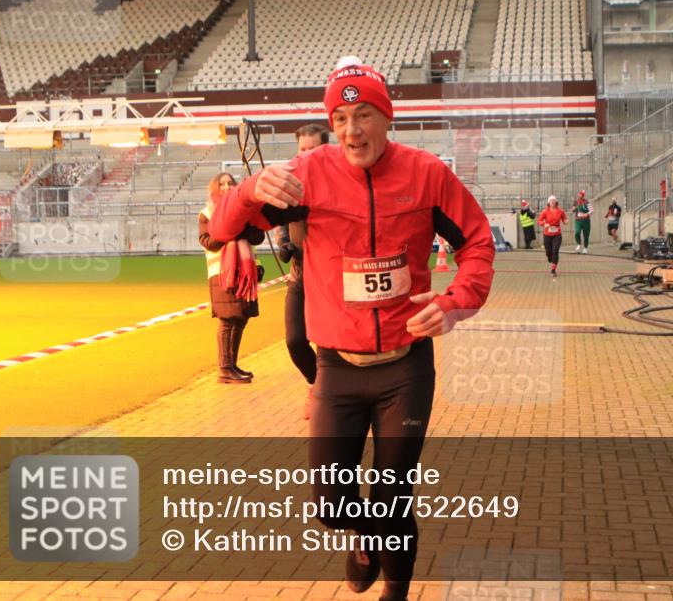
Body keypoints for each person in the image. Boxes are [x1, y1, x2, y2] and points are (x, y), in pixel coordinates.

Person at [208, 58, 495, 601]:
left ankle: (395, 591)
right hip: (337, 368)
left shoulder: (427, 174)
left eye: (364, 115)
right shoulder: (308, 174)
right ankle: (365, 537)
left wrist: (457, 300)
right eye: (340, 117)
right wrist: (249, 191)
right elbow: (223, 230)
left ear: (387, 118)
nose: (351, 130)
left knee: (393, 498)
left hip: (405, 369)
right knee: (329, 501)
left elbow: (476, 245)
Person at [278, 124, 330, 420]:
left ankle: (325, 394)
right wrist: (286, 244)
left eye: (313, 149)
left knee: (327, 344)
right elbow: (282, 223)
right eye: (302, 149)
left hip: (330, 280)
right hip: (300, 276)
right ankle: (314, 383)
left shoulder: (341, 184)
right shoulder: (291, 185)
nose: (306, 155)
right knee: (295, 340)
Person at [198, 172, 264, 384]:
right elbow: (207, 241)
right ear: (215, 188)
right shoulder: (207, 213)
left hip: (243, 272)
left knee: (241, 317)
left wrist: (240, 224)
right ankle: (224, 369)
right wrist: (229, 229)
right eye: (222, 184)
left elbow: (258, 236)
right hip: (223, 273)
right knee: (227, 320)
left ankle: (232, 364)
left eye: (230, 183)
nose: (227, 187)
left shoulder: (245, 211)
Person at [537, 194, 568, 277]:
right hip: (547, 234)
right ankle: (550, 257)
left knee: (555, 251)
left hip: (557, 234)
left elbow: (564, 219)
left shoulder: (560, 211)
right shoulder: (545, 211)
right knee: (548, 252)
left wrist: (565, 221)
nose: (552, 202)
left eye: (554, 201)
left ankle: (553, 270)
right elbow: (539, 221)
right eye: (551, 201)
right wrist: (544, 224)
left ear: (556, 202)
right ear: (548, 202)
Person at [571, 189, 592, 254]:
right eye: (578, 194)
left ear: (582, 195)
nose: (578, 195)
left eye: (580, 194)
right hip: (578, 220)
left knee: (586, 235)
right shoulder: (576, 202)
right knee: (577, 232)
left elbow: (591, 210)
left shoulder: (586, 202)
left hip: (586, 221)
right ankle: (578, 244)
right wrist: (573, 209)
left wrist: (586, 214)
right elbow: (573, 210)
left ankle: (585, 248)